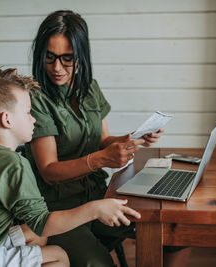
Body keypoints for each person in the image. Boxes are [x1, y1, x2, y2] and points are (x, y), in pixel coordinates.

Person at [0, 66, 140, 267]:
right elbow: (43, 222)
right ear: (7, 120)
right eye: (28, 112)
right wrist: (95, 209)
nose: (34, 120)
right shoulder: (13, 165)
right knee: (57, 256)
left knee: (37, 237)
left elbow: (38, 228)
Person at [25, 10, 163, 266]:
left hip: (99, 194)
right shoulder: (35, 99)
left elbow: (102, 141)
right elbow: (49, 172)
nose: (57, 68)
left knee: (170, 234)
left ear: (81, 56)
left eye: (67, 58)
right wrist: (101, 159)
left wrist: (134, 138)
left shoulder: (89, 88)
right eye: (50, 57)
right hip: (59, 209)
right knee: (98, 263)